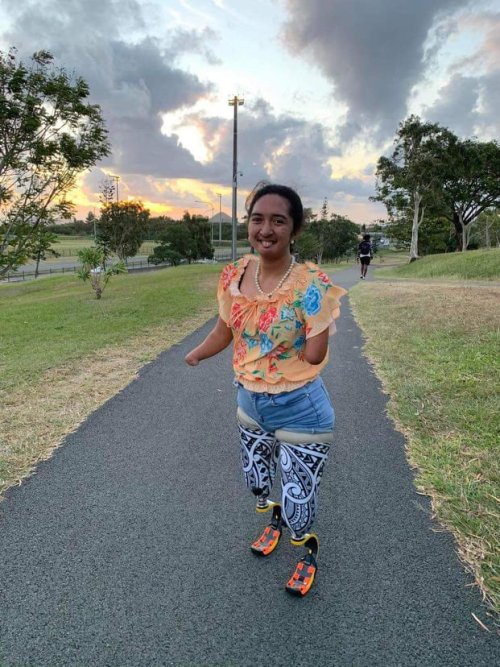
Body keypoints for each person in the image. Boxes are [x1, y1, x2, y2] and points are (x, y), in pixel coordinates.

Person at [185, 183, 346, 596]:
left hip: (300, 408)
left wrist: (312, 328)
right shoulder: (234, 275)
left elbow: (314, 355)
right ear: (248, 223)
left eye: (278, 221)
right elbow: (224, 330)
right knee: (257, 480)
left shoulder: (311, 284)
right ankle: (272, 520)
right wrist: (198, 353)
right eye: (258, 219)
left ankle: (307, 550)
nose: (266, 229)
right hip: (250, 401)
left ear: (295, 229)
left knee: (298, 500)